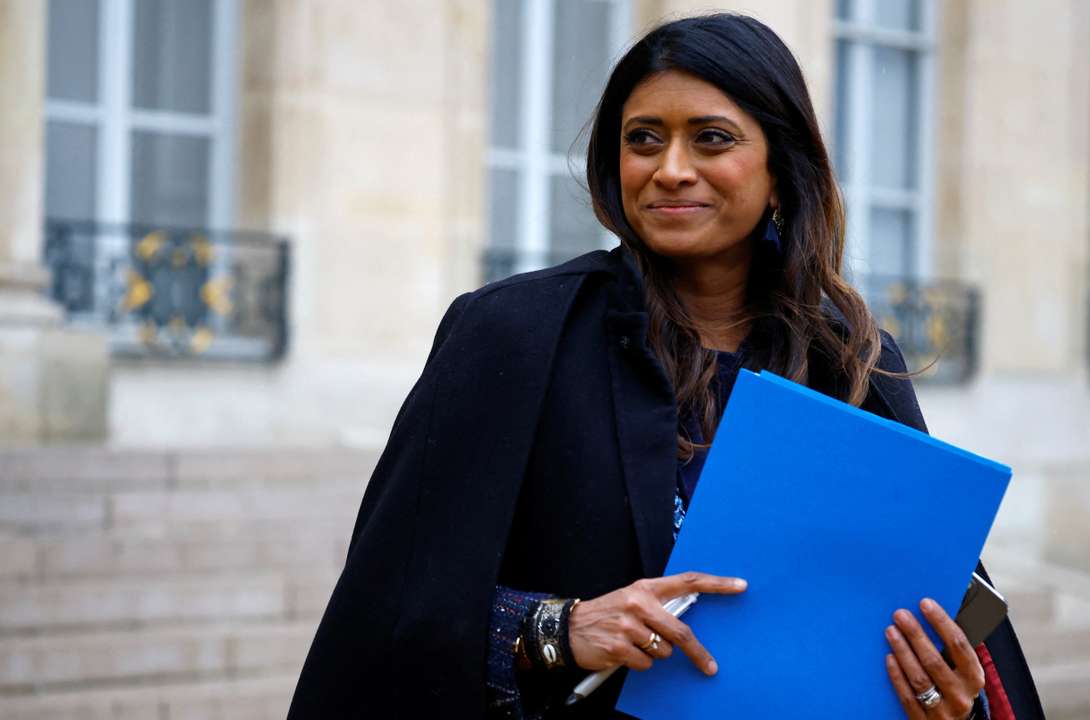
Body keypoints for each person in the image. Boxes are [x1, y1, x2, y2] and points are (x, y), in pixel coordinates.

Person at [288, 13, 1043, 720]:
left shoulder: (852, 358)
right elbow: (388, 609)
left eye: (712, 139)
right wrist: (561, 629)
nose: (671, 169)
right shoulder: (512, 336)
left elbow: (944, 623)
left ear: (781, 167)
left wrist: (945, 698)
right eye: (644, 139)